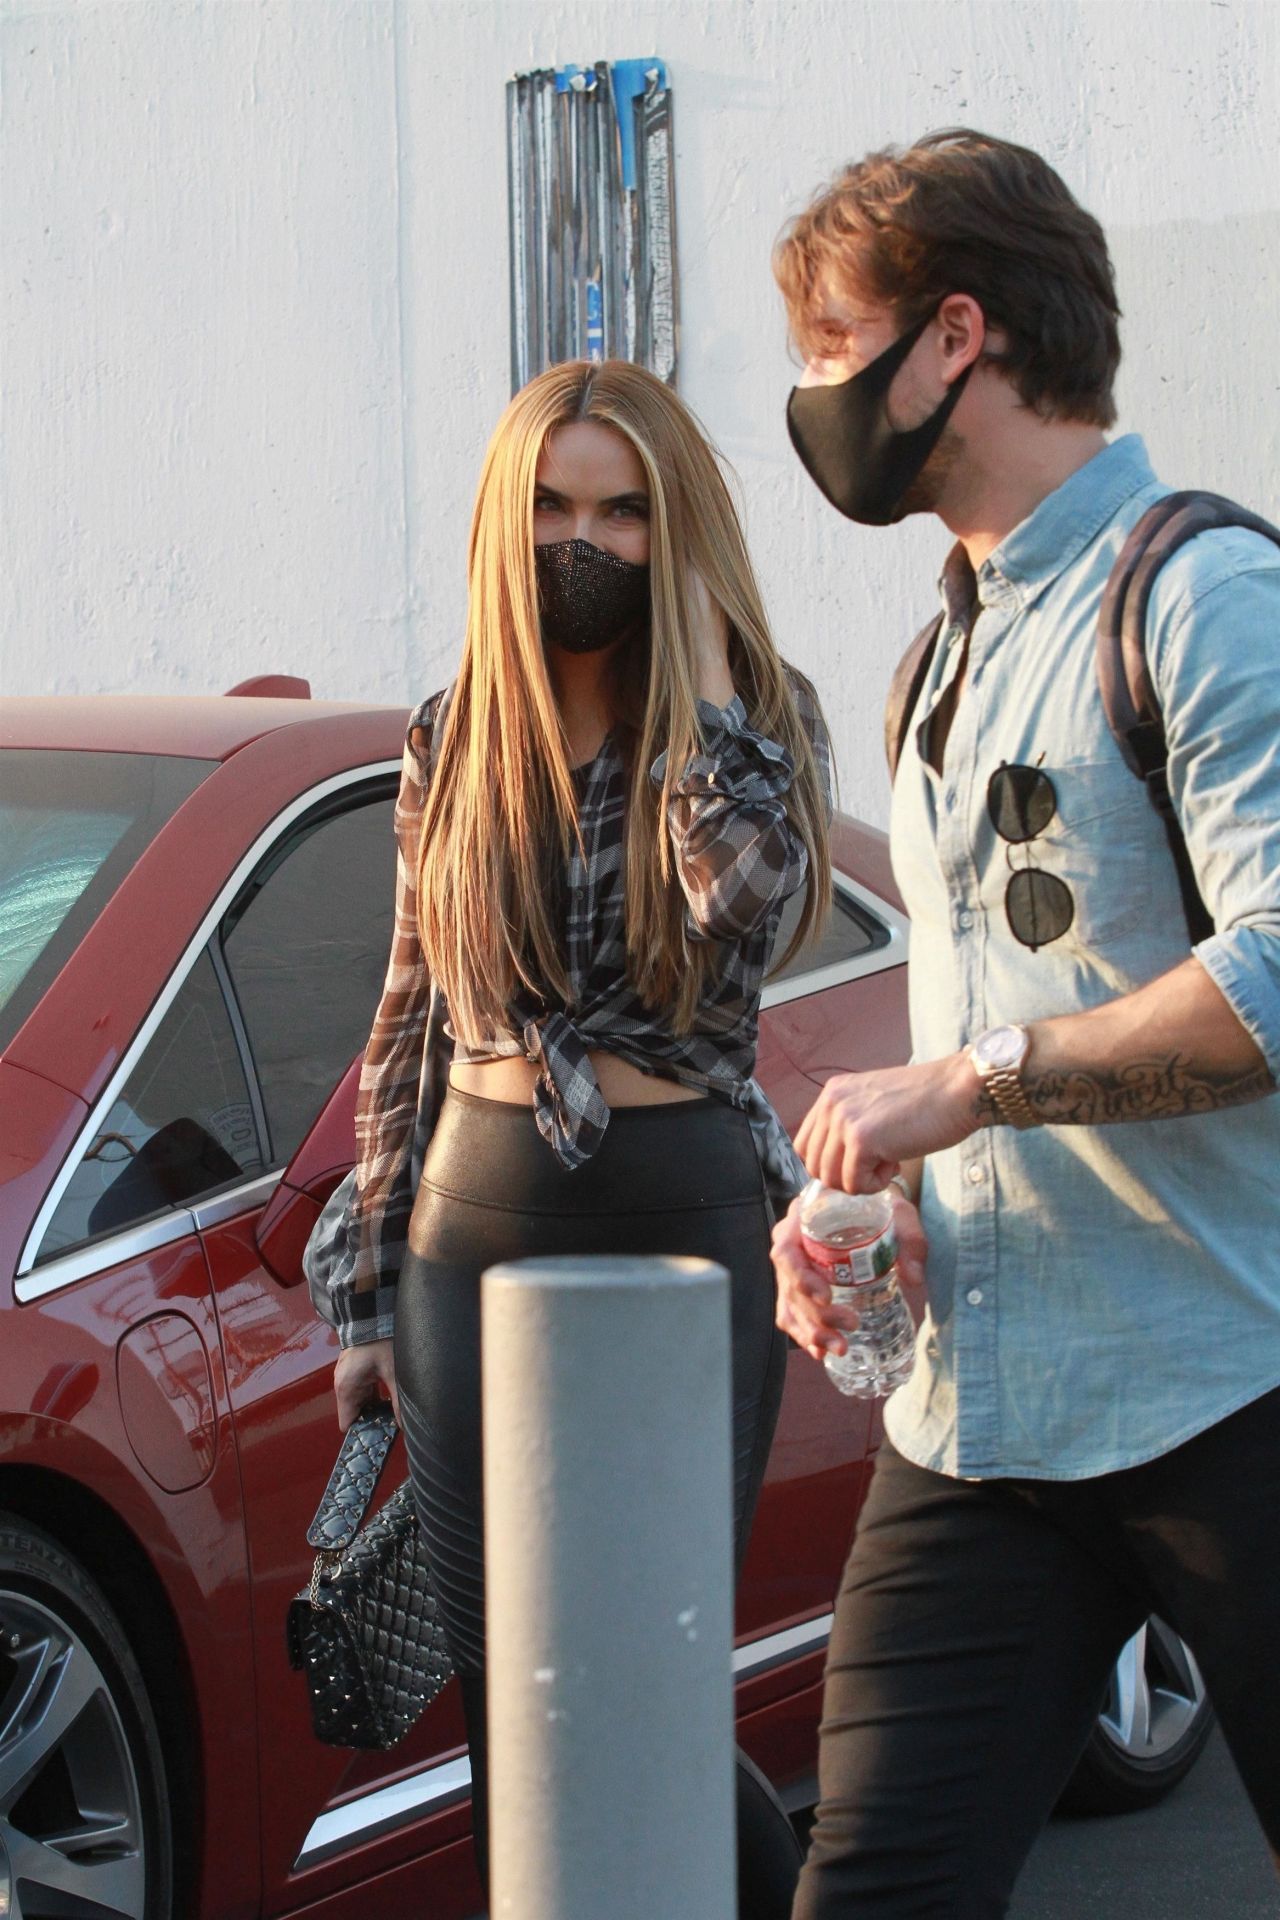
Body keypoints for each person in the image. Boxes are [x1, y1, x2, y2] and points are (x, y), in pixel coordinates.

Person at [769, 129, 1280, 1914]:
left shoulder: (1206, 594)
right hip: (976, 1423)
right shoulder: (943, 651)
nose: (811, 394)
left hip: (1235, 1387)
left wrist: (974, 1089)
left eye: (832, 344)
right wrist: (881, 1207)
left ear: (954, 339)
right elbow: (990, 1001)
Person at [315, 357, 833, 1904]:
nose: (582, 541)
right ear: (504, 520)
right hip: (472, 1228)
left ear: (674, 533)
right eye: (551, 505)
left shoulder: (755, 719)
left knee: (659, 1685)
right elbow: (408, 1019)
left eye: (623, 511)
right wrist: (360, 1298)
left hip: (685, 1219)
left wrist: (693, 680)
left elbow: (743, 918)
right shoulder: (453, 733)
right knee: (516, 1721)